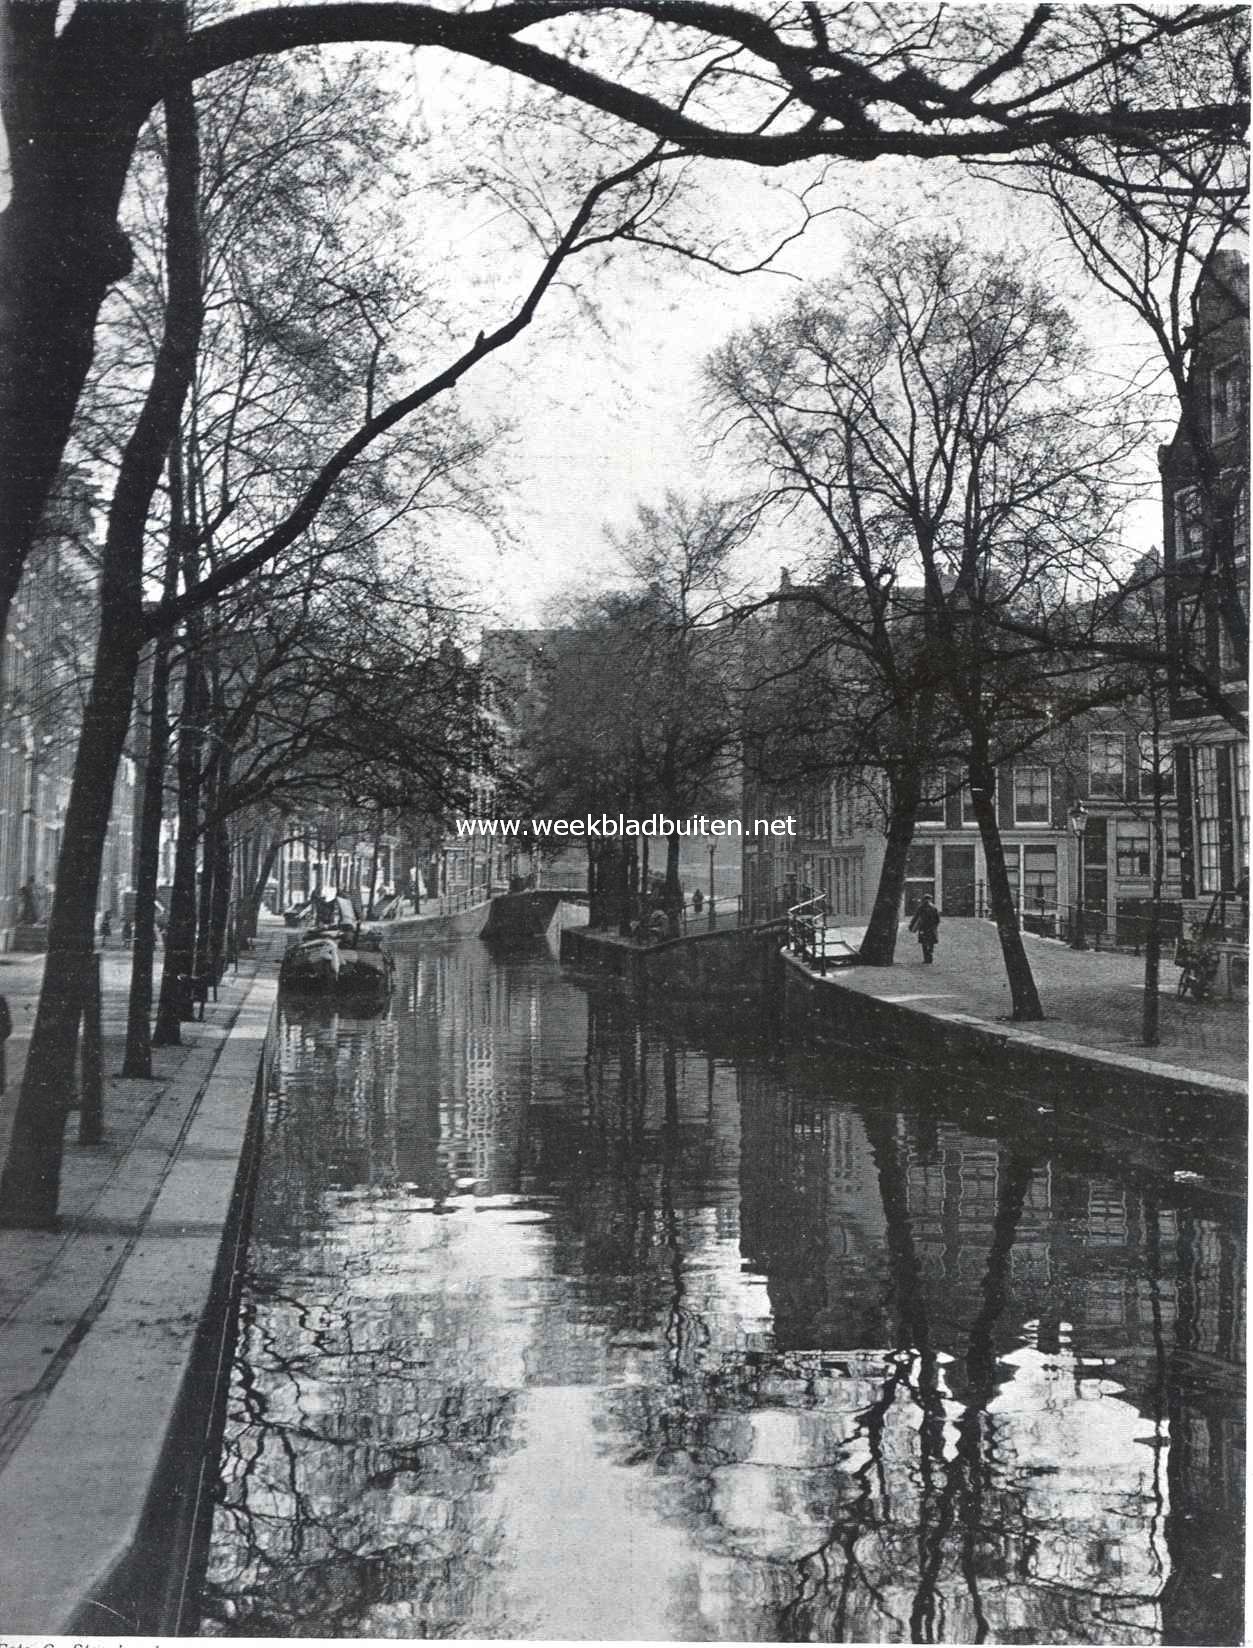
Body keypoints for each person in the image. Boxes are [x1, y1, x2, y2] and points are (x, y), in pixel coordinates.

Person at [909, 894, 941, 963]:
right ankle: (930, 956)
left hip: (923, 928)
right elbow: (937, 920)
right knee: (930, 942)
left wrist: (911, 926)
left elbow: (916, 917)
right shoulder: (934, 908)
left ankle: (927, 958)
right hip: (931, 928)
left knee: (924, 943)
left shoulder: (921, 908)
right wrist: (934, 926)